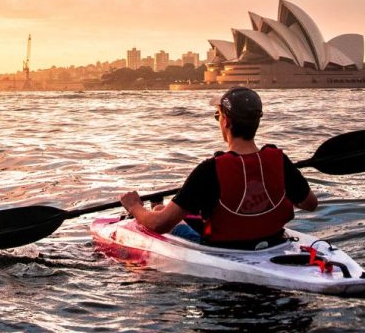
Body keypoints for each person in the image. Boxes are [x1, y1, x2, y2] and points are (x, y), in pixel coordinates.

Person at [119, 87, 317, 249]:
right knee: (163, 209)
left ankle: (153, 208)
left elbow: (159, 225)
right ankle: (158, 207)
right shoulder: (280, 160)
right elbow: (310, 204)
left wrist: (134, 206)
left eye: (218, 115)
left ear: (226, 121)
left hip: (223, 249)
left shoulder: (209, 170)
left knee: (160, 216)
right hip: (274, 242)